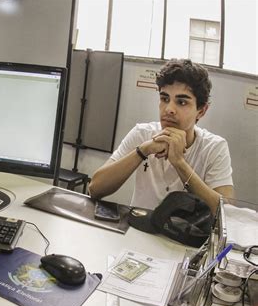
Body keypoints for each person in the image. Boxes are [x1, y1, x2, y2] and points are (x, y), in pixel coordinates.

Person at [89, 59, 234, 214]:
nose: (169, 109)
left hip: (185, 236)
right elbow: (95, 189)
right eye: (164, 99)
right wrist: (143, 150)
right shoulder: (142, 134)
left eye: (182, 102)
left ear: (201, 111)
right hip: (139, 230)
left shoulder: (214, 147)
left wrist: (180, 163)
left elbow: (225, 214)